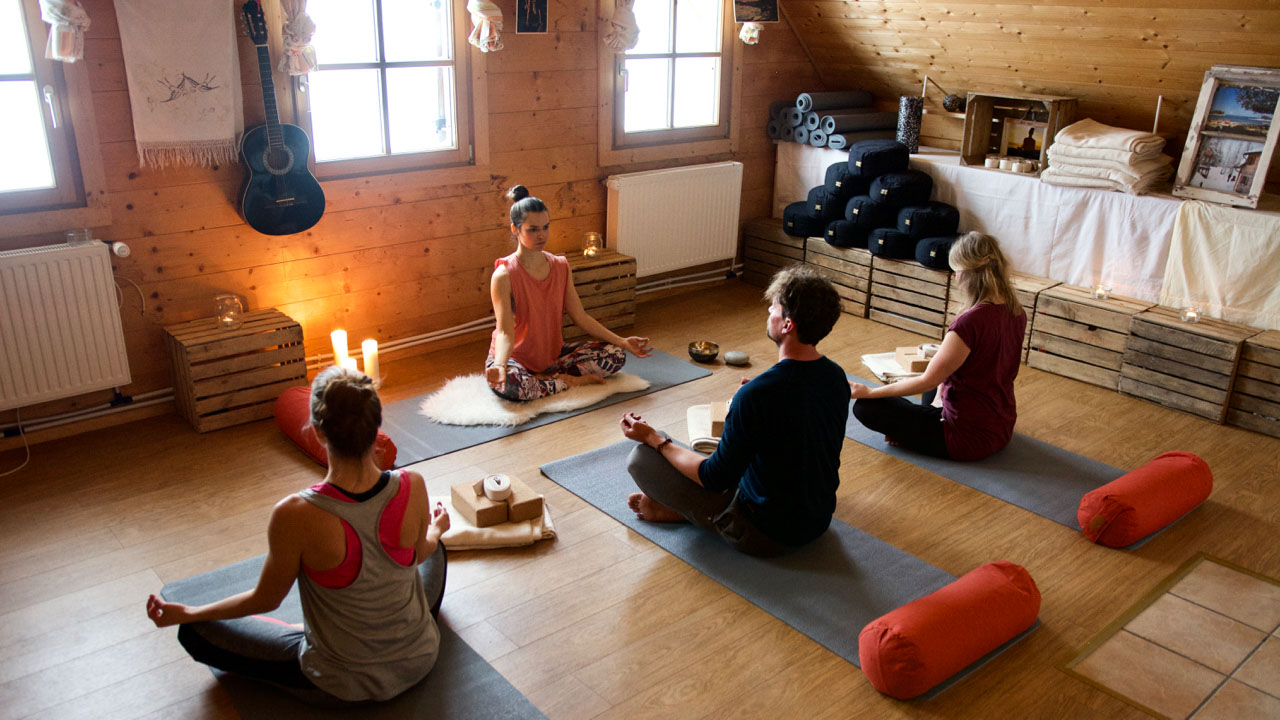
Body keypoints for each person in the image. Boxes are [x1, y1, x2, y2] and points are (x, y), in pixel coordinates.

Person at [145, 367, 450, 705]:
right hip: (420, 658)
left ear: (318, 432)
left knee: (195, 630)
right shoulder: (413, 483)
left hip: (340, 684)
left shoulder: (295, 513)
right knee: (434, 547)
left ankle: (204, 622)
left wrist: (188, 612)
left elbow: (264, 601)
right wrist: (436, 529)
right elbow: (419, 553)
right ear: (377, 424)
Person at [619, 265, 849, 556]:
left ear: (787, 325)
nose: (769, 311)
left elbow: (714, 477)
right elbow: (798, 426)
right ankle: (691, 509)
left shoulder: (757, 395)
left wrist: (654, 439)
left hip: (763, 534)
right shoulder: (836, 377)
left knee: (642, 457)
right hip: (817, 521)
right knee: (741, 451)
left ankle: (689, 514)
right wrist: (752, 402)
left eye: (775, 307)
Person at [849, 231, 1026, 461]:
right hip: (1001, 426)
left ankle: (910, 432)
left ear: (970, 275)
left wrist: (870, 392)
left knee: (866, 406)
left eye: (956, 272)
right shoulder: (1016, 311)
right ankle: (920, 422)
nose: (955, 278)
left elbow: (927, 381)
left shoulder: (969, 323)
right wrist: (936, 400)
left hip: (966, 438)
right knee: (936, 376)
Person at [486, 185, 653, 401]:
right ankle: (566, 382)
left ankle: (546, 381)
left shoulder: (560, 266)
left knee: (615, 356)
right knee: (510, 385)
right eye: (533, 229)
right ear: (515, 230)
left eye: (545, 227)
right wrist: (500, 365)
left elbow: (580, 317)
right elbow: (504, 333)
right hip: (513, 358)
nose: (541, 235)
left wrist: (622, 341)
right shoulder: (503, 276)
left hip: (553, 356)